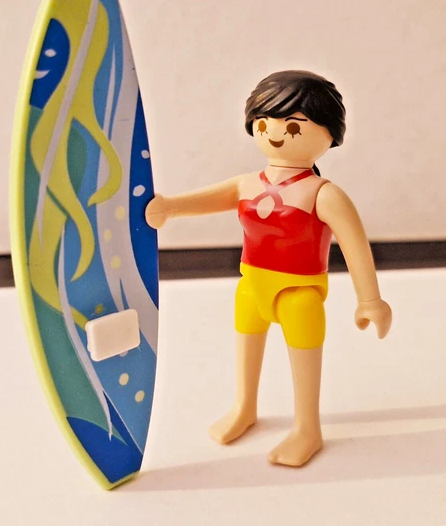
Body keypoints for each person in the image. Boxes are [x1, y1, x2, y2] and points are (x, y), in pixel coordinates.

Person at [145, 70, 392, 467]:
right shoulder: (248, 183)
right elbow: (208, 199)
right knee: (247, 346)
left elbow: (355, 245)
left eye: (293, 126)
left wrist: (370, 300)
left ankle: (307, 428)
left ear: (329, 134)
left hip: (299, 295)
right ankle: (244, 407)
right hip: (252, 285)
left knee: (303, 358)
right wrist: (171, 207)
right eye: (263, 123)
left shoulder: (323, 194)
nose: (275, 133)